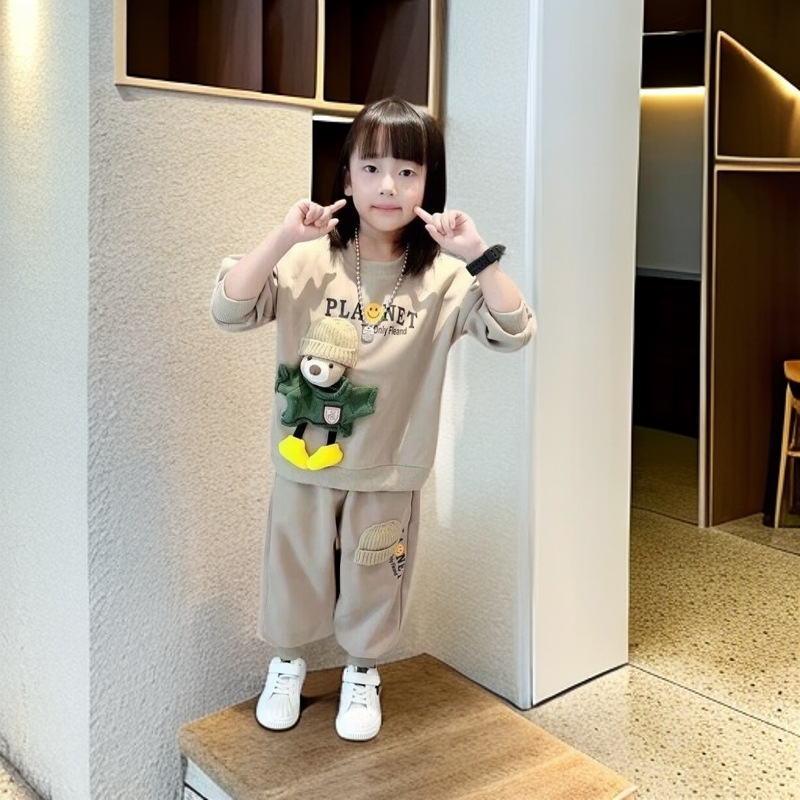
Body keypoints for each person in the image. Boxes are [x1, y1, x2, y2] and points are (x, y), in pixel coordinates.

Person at [211, 97, 536, 741]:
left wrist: (480, 256)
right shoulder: (306, 261)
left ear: (428, 183)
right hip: (306, 464)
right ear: (347, 177)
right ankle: (287, 665)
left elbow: (515, 330)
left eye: (408, 172)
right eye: (371, 168)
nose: (388, 185)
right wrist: (283, 237)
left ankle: (363, 673)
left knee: (374, 577)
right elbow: (229, 309)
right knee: (293, 571)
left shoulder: (446, 280)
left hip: (389, 473)